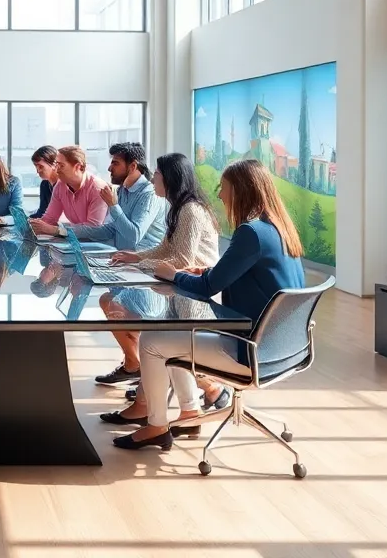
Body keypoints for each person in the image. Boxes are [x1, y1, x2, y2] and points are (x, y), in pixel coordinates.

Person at [112, 158, 306, 451]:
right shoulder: (278, 228)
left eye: (223, 188)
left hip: (250, 349)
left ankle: (156, 427)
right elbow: (225, 276)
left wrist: (174, 274)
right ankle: (189, 413)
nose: (218, 195)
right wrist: (204, 273)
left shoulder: (250, 233)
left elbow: (207, 288)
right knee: (173, 336)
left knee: (153, 340)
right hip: (283, 346)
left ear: (242, 190)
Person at [94, 152, 220, 387]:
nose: (153, 180)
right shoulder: (178, 208)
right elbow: (164, 249)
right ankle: (146, 383)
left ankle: (206, 388)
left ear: (171, 178)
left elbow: (182, 260)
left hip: (194, 298)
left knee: (150, 340)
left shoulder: (190, 211)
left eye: (158, 175)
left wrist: (139, 263)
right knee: (119, 310)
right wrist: (135, 256)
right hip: (177, 289)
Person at [72, 143, 167, 253]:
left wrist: (113, 205)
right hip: (124, 259)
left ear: (132, 167)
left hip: (144, 263)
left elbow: (134, 236)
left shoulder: (149, 194)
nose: (109, 168)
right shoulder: (122, 190)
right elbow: (113, 229)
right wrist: (72, 231)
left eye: (115, 163)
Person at [28, 145, 110, 234]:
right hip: (76, 240)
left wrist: (56, 230)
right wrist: (34, 226)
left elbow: (94, 229)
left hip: (101, 243)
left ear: (77, 167)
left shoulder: (97, 188)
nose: (57, 169)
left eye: (61, 165)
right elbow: (50, 218)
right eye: (56, 164)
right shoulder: (60, 185)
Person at [30, 145, 60, 219]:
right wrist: (29, 219)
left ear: (54, 164)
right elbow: (42, 211)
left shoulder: (65, 185)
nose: (37, 171)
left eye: (41, 166)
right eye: (35, 166)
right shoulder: (44, 185)